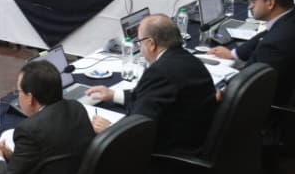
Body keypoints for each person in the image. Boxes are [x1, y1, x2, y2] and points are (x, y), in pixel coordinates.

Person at [87, 15, 216, 152]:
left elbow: (140, 132)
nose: (141, 49)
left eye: (140, 43)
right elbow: (155, 96)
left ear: (151, 43)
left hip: (171, 155)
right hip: (197, 138)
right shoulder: (188, 59)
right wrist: (114, 95)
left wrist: (110, 129)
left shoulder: (160, 72)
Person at [210, 0, 295, 103]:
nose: (251, 4)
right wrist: (235, 54)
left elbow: (248, 84)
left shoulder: (275, 44)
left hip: (263, 104)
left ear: (270, 3)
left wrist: (223, 91)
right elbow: (266, 32)